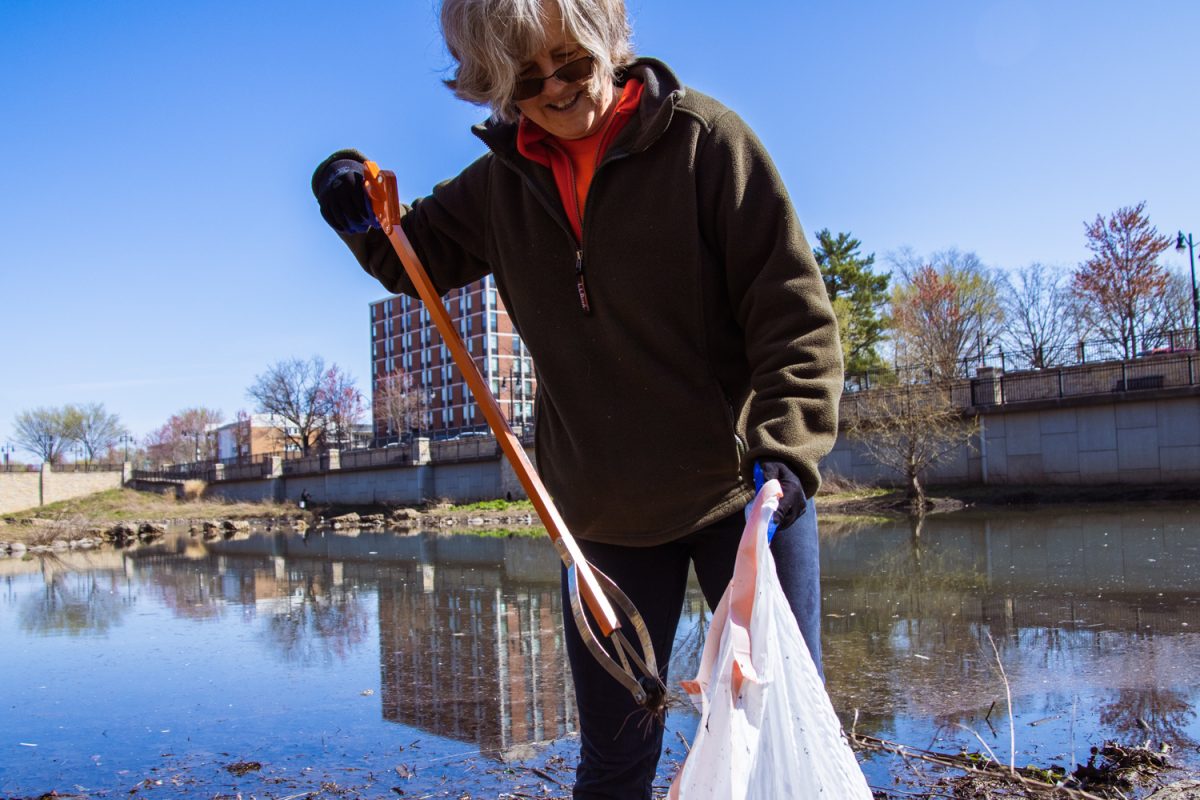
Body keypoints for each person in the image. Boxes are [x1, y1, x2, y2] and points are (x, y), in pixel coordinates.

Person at [312, 1, 843, 796]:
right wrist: (345, 185)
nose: (558, 88)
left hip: (742, 499)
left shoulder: (704, 142)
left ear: (610, 44)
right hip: (601, 521)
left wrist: (787, 455)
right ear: (494, 85)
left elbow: (794, 318)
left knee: (779, 743)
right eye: (528, 77)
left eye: (574, 63)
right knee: (616, 759)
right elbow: (404, 256)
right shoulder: (499, 188)